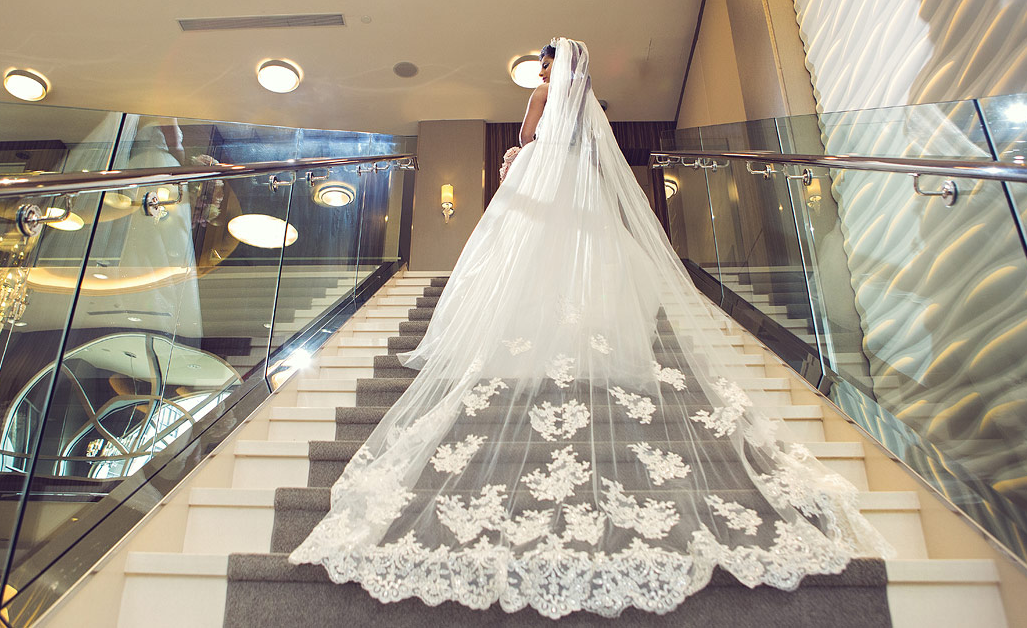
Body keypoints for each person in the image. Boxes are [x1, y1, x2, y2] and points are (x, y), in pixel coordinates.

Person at [290, 38, 892, 618]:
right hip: (569, 196)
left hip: (546, 190)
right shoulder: (584, 107)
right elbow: (577, 155)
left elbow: (528, 139)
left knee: (531, 267)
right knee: (572, 265)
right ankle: (572, 342)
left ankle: (543, 344)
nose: (543, 72)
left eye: (546, 64)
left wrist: (527, 136)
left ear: (553, 65)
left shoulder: (543, 100)